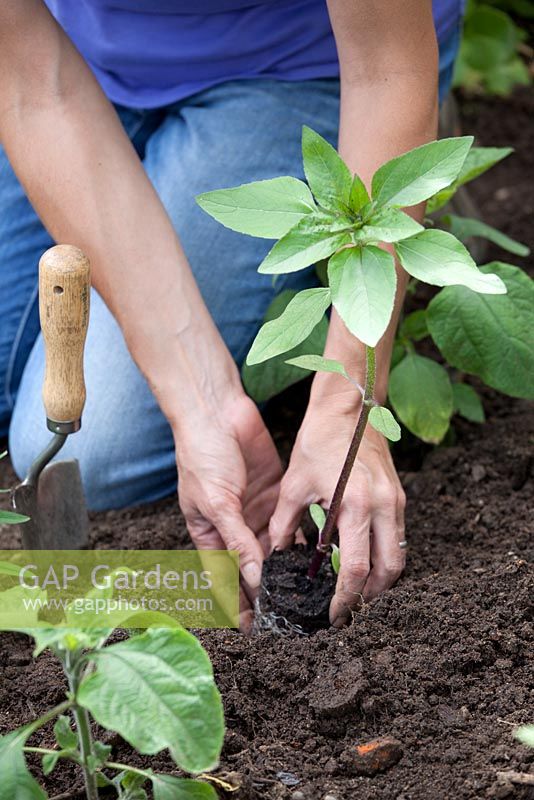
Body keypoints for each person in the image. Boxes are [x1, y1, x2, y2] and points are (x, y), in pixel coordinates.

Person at [0, 0, 463, 629]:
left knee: (91, 455)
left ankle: (386, 171)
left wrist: (347, 405)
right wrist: (198, 400)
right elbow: (33, 85)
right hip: (63, 59)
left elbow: (386, 63)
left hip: (300, 62)